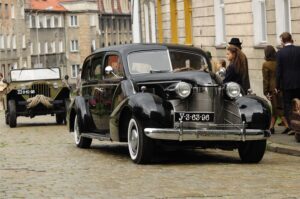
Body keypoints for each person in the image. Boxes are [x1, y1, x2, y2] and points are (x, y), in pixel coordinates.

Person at [276, 32, 300, 135]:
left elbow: (279, 71)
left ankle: (292, 127)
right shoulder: (298, 50)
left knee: (288, 104)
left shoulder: (280, 53)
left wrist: (277, 86)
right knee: (299, 104)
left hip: (286, 83)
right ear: (291, 39)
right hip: (299, 82)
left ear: (282, 41)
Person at [262, 45, 289, 134]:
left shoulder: (266, 64)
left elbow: (266, 79)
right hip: (281, 87)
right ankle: (271, 127)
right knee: (276, 107)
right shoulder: (278, 62)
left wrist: (265, 92)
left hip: (272, 89)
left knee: (277, 108)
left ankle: (287, 126)